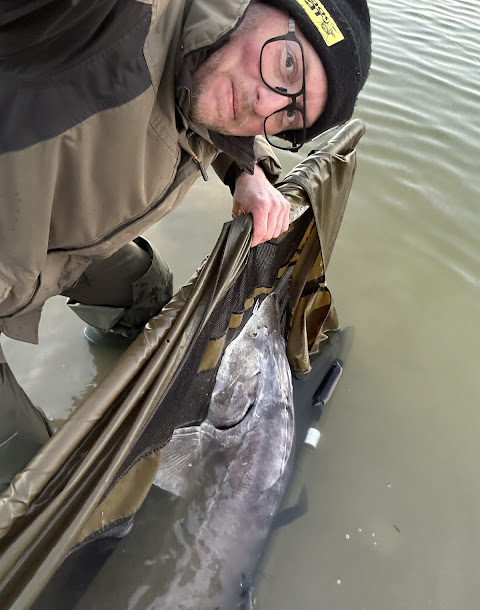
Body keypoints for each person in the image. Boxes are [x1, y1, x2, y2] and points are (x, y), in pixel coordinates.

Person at [0, 0, 371, 489]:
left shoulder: (215, 75)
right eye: (288, 63)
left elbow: (205, 92)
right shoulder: (112, 18)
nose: (266, 106)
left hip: (54, 250)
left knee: (150, 295)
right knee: (29, 473)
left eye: (289, 114)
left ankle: (124, 383)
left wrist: (247, 168)